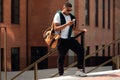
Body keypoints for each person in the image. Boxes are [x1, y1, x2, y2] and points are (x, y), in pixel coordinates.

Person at [53, 2, 87, 76]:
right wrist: (67, 24)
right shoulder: (58, 15)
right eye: (68, 10)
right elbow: (55, 28)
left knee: (81, 50)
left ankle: (79, 70)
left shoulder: (72, 16)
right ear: (64, 8)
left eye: (70, 10)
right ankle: (60, 74)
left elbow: (73, 28)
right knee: (61, 56)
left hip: (69, 38)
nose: (69, 12)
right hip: (61, 39)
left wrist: (82, 30)